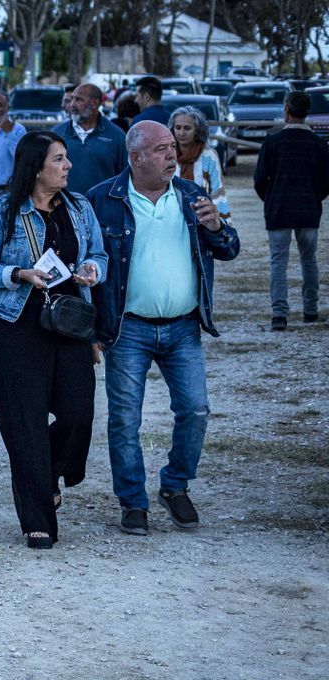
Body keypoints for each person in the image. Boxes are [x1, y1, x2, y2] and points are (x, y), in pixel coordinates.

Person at [88, 121, 240, 536]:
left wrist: (217, 227)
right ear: (135, 157)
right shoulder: (102, 199)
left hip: (182, 328)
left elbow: (230, 249)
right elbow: (87, 265)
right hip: (127, 330)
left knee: (195, 409)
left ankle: (174, 486)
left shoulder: (192, 196)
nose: (172, 154)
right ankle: (133, 502)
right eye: (161, 149)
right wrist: (92, 331)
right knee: (124, 420)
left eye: (172, 146)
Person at [0, 132, 108, 548]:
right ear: (35, 168)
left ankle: (46, 472)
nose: (68, 166)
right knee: (25, 422)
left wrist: (92, 270)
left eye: (66, 158)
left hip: (69, 320)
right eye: (59, 159)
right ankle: (38, 520)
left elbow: (99, 255)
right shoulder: (1, 211)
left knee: (78, 414)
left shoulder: (80, 207)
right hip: (16, 324)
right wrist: (19, 274)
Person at [253, 91, 329, 329]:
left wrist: (270, 198)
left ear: (287, 110)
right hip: (308, 208)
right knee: (309, 260)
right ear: (307, 112)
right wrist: (315, 197)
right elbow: (326, 181)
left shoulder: (272, 142)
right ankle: (310, 309)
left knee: (278, 261)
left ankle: (279, 314)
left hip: (279, 207)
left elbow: (259, 180)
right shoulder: (318, 144)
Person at [63, 84, 128, 195]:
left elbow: (125, 177)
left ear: (95, 103)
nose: (72, 104)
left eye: (79, 100)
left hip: (103, 204)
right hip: (64, 204)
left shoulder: (117, 136)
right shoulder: (57, 134)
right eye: (72, 99)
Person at [170, 107, 230, 220]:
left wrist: (222, 225)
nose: (181, 133)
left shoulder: (209, 156)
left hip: (203, 219)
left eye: (187, 128)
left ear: (197, 130)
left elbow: (218, 192)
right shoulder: (168, 155)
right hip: (172, 218)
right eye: (178, 128)